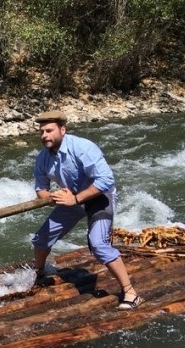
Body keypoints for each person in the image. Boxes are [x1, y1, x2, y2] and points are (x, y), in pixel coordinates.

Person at [30, 110, 143, 310]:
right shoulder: (43, 158)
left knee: (98, 244)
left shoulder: (83, 147)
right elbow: (41, 190)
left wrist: (76, 198)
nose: (44, 136)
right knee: (41, 238)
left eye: (49, 131)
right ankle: (39, 275)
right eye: (41, 132)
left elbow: (106, 180)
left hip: (99, 197)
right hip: (71, 199)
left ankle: (131, 293)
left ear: (62, 130)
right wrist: (54, 197)